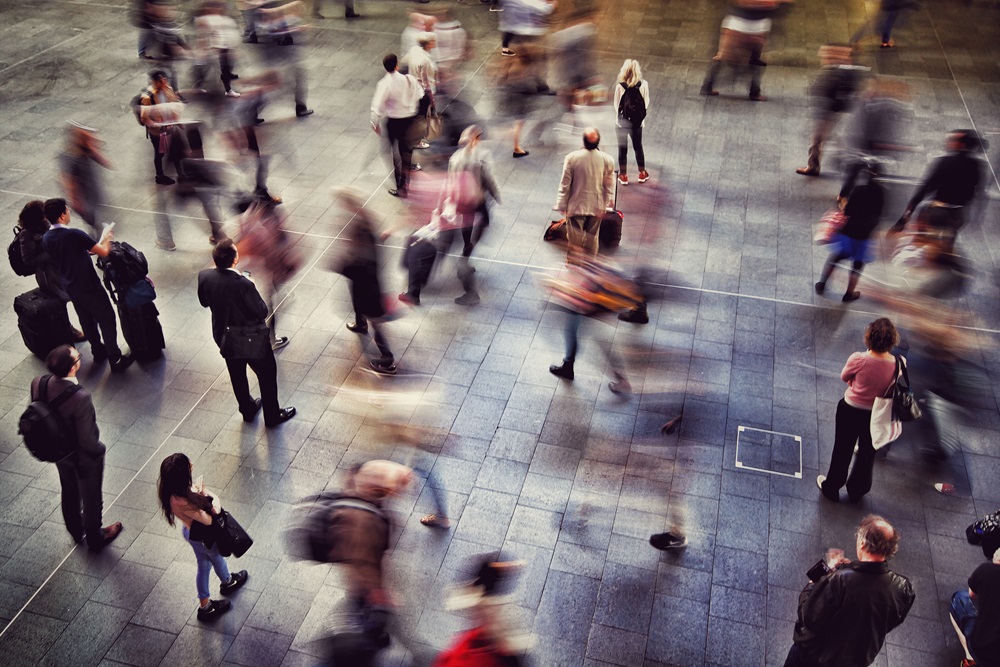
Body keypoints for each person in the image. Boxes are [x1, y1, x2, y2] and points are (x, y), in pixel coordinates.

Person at [783, 515, 915, 667]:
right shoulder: (903, 588)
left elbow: (809, 617)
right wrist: (849, 568)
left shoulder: (838, 581)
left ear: (863, 544)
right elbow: (890, 621)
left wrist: (813, 584)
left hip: (814, 657)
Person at [32, 345, 124, 552]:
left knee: (69, 489)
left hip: (58, 453)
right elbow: (88, 440)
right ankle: (95, 537)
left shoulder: (39, 382)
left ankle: (75, 529)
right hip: (83, 458)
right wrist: (100, 451)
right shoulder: (80, 398)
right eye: (78, 357)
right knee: (91, 497)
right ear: (73, 368)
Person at [197, 239, 296, 427]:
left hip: (224, 337)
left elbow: (204, 302)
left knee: (237, 375)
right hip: (250, 339)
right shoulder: (243, 284)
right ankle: (272, 416)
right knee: (266, 375)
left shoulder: (205, 277)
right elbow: (261, 311)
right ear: (235, 260)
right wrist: (249, 284)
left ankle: (248, 409)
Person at [41, 199, 133, 372]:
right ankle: (116, 358)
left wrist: (94, 246)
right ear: (62, 215)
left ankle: (98, 351)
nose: (69, 212)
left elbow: (76, 251)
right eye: (67, 210)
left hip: (70, 285)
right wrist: (106, 238)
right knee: (106, 318)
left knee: (87, 321)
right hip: (88, 285)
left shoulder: (47, 237)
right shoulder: (74, 234)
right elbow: (104, 252)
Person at [157, 452, 249, 620]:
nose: (191, 464)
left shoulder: (173, 493)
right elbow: (208, 519)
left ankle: (208, 601)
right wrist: (208, 495)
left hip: (190, 532)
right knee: (216, 557)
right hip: (201, 536)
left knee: (204, 564)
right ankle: (225, 585)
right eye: (188, 465)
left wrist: (197, 494)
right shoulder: (184, 500)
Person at [817, 318, 899, 502]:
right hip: (876, 414)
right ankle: (858, 489)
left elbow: (844, 376)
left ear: (869, 336)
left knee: (842, 449)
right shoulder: (898, 364)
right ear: (892, 340)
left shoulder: (859, 359)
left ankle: (832, 486)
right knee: (867, 452)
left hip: (851, 410)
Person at [335, 193, 397, 375]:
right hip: (366, 286)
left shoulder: (364, 247)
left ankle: (388, 359)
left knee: (376, 322)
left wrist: (342, 265)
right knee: (360, 306)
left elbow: (357, 268)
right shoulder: (364, 227)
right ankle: (360, 324)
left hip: (369, 290)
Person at [890, 129, 984, 239]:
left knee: (924, 242)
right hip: (958, 215)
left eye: (952, 140)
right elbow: (978, 192)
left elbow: (925, 188)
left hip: (937, 213)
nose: (948, 142)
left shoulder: (944, 162)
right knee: (946, 244)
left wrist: (906, 215)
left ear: (961, 144)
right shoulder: (976, 166)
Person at [445, 124, 501, 306]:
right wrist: (496, 195)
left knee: (466, 227)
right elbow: (490, 178)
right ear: (476, 139)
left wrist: (450, 200)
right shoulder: (483, 156)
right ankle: (467, 253)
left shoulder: (455, 158)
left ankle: (467, 248)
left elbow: (451, 181)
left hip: (463, 202)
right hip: (477, 200)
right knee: (484, 222)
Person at [814, 161, 885, 302]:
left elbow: (847, 212)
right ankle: (849, 293)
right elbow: (879, 214)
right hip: (865, 234)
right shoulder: (881, 193)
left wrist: (844, 204)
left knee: (836, 257)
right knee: (857, 265)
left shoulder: (858, 190)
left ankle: (822, 284)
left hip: (849, 231)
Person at [16, 201, 84, 342]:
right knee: (61, 300)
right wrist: (50, 253)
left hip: (60, 269)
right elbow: (28, 260)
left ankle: (73, 328)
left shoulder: (45, 225)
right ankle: (68, 330)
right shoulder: (26, 234)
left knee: (71, 297)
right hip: (48, 276)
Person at [700, 0, 792, 102]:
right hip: (749, 24)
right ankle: (754, 93)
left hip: (743, 23)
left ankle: (708, 86)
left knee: (726, 57)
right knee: (754, 60)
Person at [795, 44, 863, 177]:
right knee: (819, 139)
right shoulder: (838, 70)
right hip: (831, 110)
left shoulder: (842, 71)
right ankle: (814, 166)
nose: (824, 56)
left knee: (821, 138)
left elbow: (841, 92)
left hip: (830, 111)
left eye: (828, 54)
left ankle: (841, 166)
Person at [554, 127, 615, 261]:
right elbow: (609, 184)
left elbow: (565, 184)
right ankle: (590, 264)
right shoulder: (608, 160)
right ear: (598, 142)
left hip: (576, 206)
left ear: (583, 142)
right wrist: (607, 202)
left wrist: (561, 205)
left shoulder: (571, 158)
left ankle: (574, 264)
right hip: (597, 206)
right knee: (593, 237)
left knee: (574, 239)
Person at [370, 54, 424, 198]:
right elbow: (421, 94)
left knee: (394, 154)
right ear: (397, 65)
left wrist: (374, 122)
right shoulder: (409, 79)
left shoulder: (384, 84)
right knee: (406, 151)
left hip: (394, 122)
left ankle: (400, 185)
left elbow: (377, 106)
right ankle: (406, 182)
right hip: (409, 121)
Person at [950, 547, 1000, 667]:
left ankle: (970, 658)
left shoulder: (985, 570)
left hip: (982, 649)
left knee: (959, 598)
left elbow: (972, 595)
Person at [60, 122, 112, 233]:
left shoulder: (84, 149)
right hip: (83, 196)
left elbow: (99, 157)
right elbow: (69, 183)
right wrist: (75, 201)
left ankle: (96, 227)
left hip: (91, 189)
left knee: (95, 210)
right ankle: (95, 229)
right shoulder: (70, 159)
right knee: (91, 215)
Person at [138, 69, 185, 185]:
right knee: (160, 153)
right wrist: (155, 125)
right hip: (158, 132)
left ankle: (181, 174)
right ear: (154, 82)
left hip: (171, 127)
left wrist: (176, 121)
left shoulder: (168, 89)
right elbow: (144, 118)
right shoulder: (148, 97)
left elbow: (173, 105)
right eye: (160, 80)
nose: (163, 82)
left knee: (176, 149)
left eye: (164, 79)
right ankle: (160, 175)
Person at [612, 59, 650, 186]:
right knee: (638, 147)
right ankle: (642, 173)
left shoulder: (620, 86)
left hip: (622, 123)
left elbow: (616, 105)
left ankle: (623, 175)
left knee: (622, 149)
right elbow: (646, 103)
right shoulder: (644, 84)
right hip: (637, 123)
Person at [192, 1, 242, 97]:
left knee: (225, 69)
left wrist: (233, 47)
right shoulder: (203, 20)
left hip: (224, 48)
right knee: (206, 69)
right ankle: (199, 85)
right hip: (214, 50)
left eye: (219, 7)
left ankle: (228, 88)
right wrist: (205, 49)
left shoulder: (223, 19)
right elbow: (202, 36)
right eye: (215, 7)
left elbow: (228, 34)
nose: (218, 9)